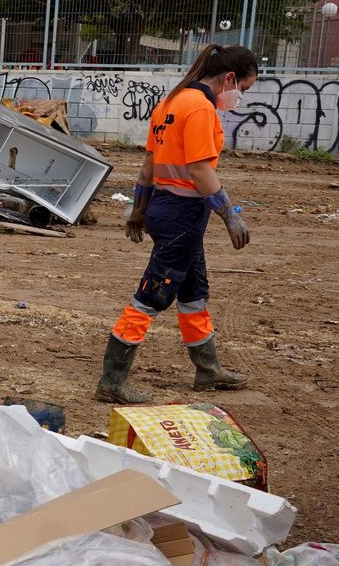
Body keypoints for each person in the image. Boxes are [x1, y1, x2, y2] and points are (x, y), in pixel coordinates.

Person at [95, 44, 256, 404]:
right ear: (229, 78)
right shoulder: (200, 107)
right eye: (242, 89)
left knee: (194, 292)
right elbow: (200, 170)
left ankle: (207, 368)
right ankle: (112, 381)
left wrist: (140, 208)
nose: (240, 96)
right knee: (152, 295)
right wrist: (230, 213)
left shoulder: (171, 101)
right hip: (183, 213)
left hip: (167, 209)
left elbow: (149, 165)